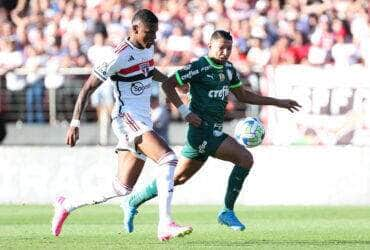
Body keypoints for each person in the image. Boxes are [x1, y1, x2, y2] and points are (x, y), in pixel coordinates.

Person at [121, 30, 301, 232]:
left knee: (178, 178)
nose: (225, 52)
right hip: (201, 132)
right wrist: (185, 112)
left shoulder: (229, 70)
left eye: (229, 48)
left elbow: (242, 95)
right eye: (221, 48)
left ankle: (132, 202)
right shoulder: (199, 67)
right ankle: (227, 211)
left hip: (211, 131)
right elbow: (169, 85)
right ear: (210, 46)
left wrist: (278, 102)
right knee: (245, 158)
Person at [51, 9, 193, 241]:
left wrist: (171, 82)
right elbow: (87, 89)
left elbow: (148, 69)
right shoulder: (116, 56)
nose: (154, 38)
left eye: (155, 33)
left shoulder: (147, 46)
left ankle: (66, 205)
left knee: (121, 188)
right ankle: (165, 224)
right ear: (134, 29)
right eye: (149, 32)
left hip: (142, 120)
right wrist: (75, 122)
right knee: (168, 159)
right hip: (126, 118)